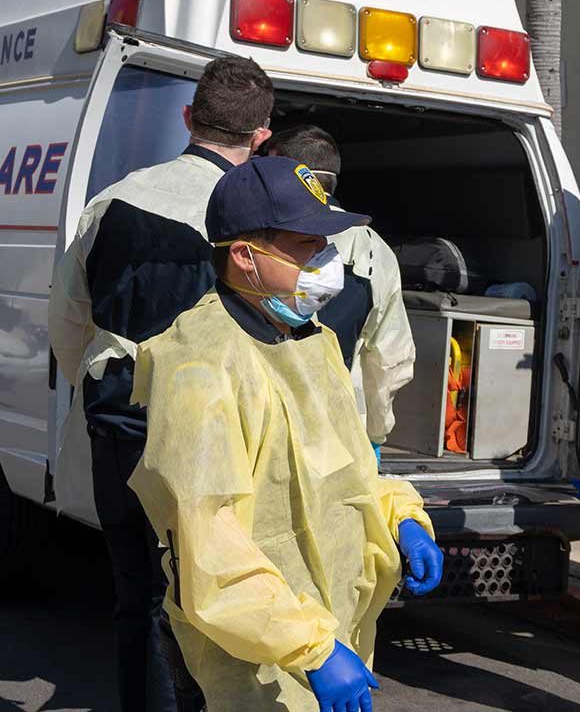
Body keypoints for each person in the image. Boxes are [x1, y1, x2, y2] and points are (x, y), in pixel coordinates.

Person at [127, 155, 444, 712]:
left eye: (327, 244)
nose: (328, 259)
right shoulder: (199, 366)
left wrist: (402, 515)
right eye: (308, 246)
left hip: (328, 633)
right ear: (246, 257)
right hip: (254, 659)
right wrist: (313, 648)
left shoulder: (309, 339)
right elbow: (210, 549)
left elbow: (349, 465)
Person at [47, 56, 275, 712]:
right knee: (214, 595)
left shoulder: (114, 201)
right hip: (217, 436)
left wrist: (98, 395)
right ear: (260, 138)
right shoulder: (258, 223)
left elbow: (69, 322)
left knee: (139, 600)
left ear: (187, 117)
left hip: (121, 424)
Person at [261, 125, 414, 464]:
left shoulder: (255, 236)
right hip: (337, 440)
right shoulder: (374, 250)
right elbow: (389, 359)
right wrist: (373, 435)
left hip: (258, 429)